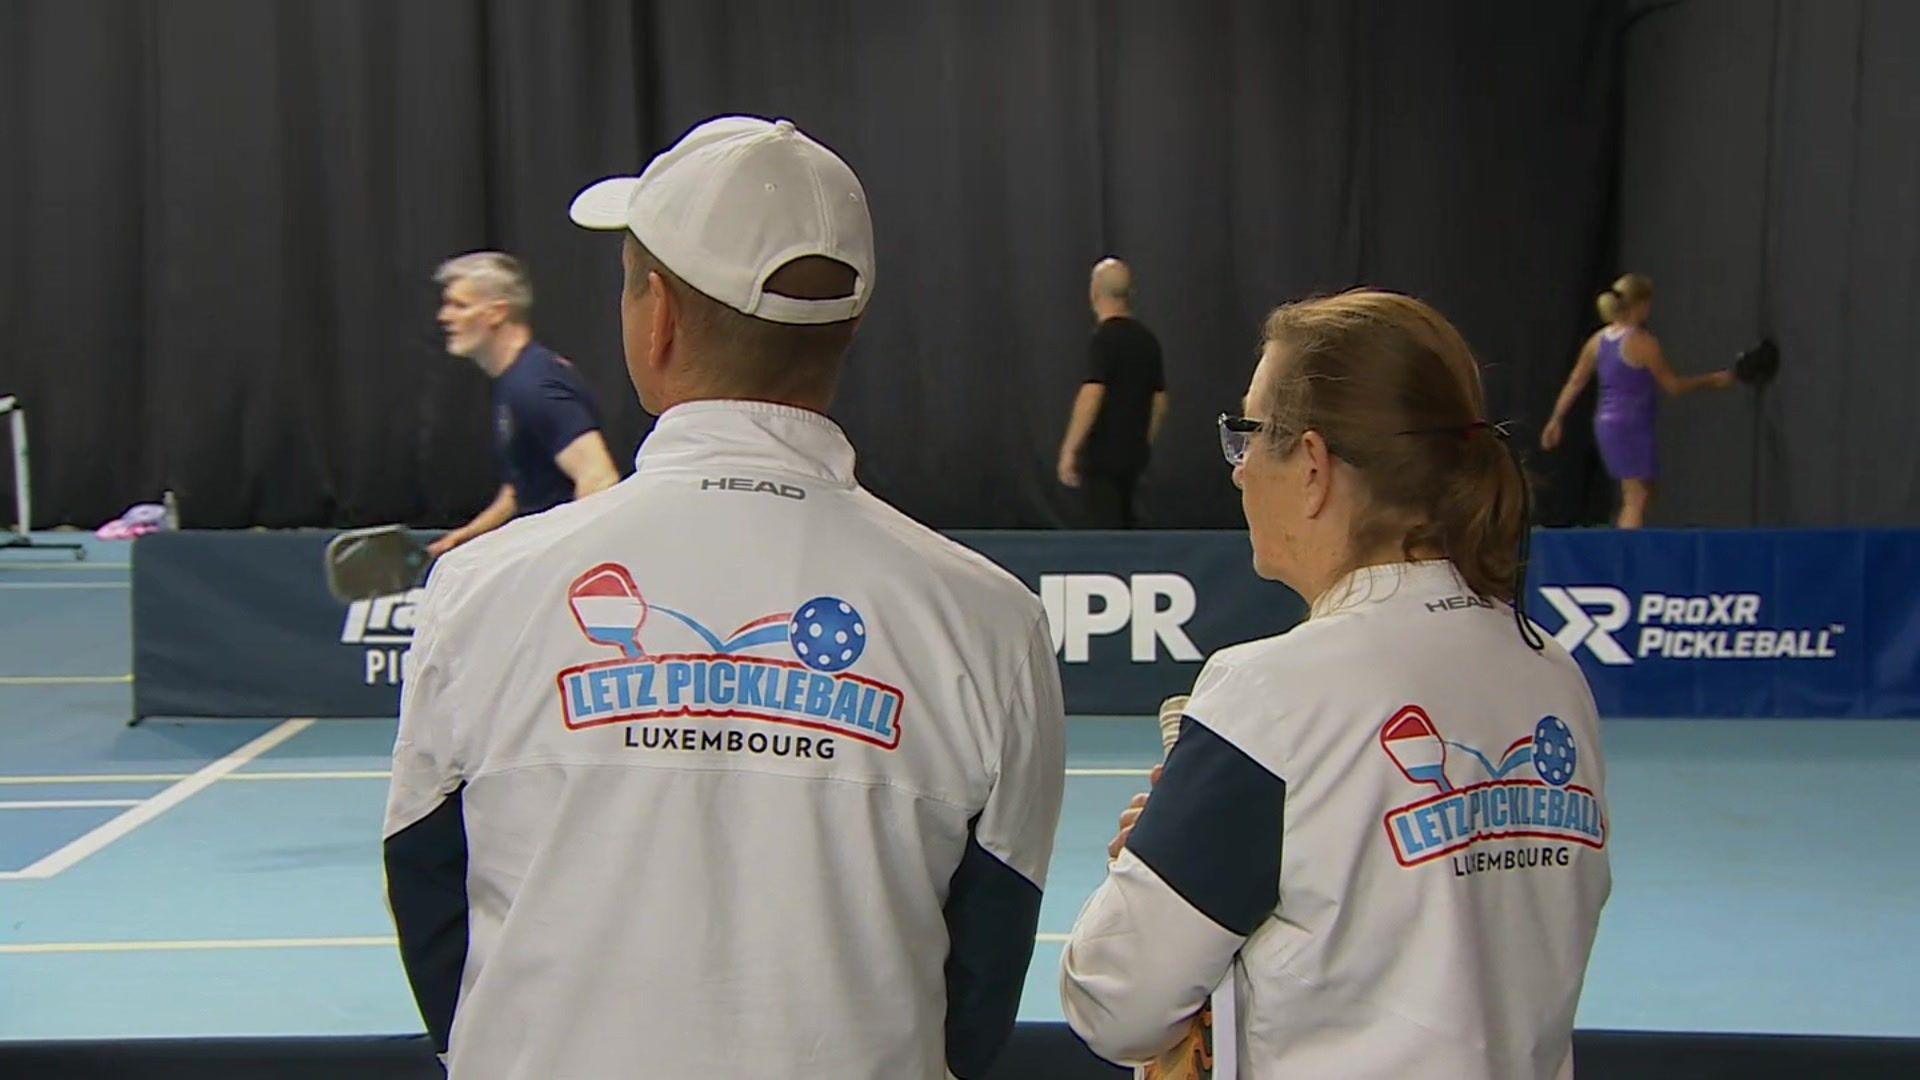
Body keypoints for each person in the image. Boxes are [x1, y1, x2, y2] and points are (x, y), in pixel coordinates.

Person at [383, 117, 1066, 1079]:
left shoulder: (479, 588)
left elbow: (431, 895)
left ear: (655, 314)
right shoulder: (990, 621)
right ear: (851, 327)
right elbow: (984, 967)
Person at [1061, 291, 1611, 1078]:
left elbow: (1114, 1003)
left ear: (1313, 466)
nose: (1240, 470)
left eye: (1247, 436)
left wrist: (1150, 869)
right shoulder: (1554, 676)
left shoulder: (1270, 695)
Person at [429, 251, 621, 556]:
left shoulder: (533, 386)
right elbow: (522, 487)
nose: (444, 316)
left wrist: (570, 563)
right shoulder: (515, 381)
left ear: (496, 313)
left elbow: (598, 478)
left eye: (459, 305)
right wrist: (469, 536)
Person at [1539, 273, 1736, 529]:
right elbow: (1672, 385)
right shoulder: (1643, 343)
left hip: (1609, 423)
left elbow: (1576, 381)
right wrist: (1712, 380)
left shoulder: (1598, 341)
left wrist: (1556, 418)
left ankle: (1631, 539)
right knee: (1636, 497)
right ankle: (1626, 555)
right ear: (1640, 304)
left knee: (1644, 492)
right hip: (1630, 425)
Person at [1056, 257, 1167, 527]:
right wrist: (1143, 442)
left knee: (1102, 533)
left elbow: (1092, 394)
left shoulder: (1103, 340)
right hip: (1133, 458)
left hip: (1101, 461)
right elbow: (1160, 401)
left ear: (1094, 293)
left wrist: (1070, 449)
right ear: (1131, 294)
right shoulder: (1147, 340)